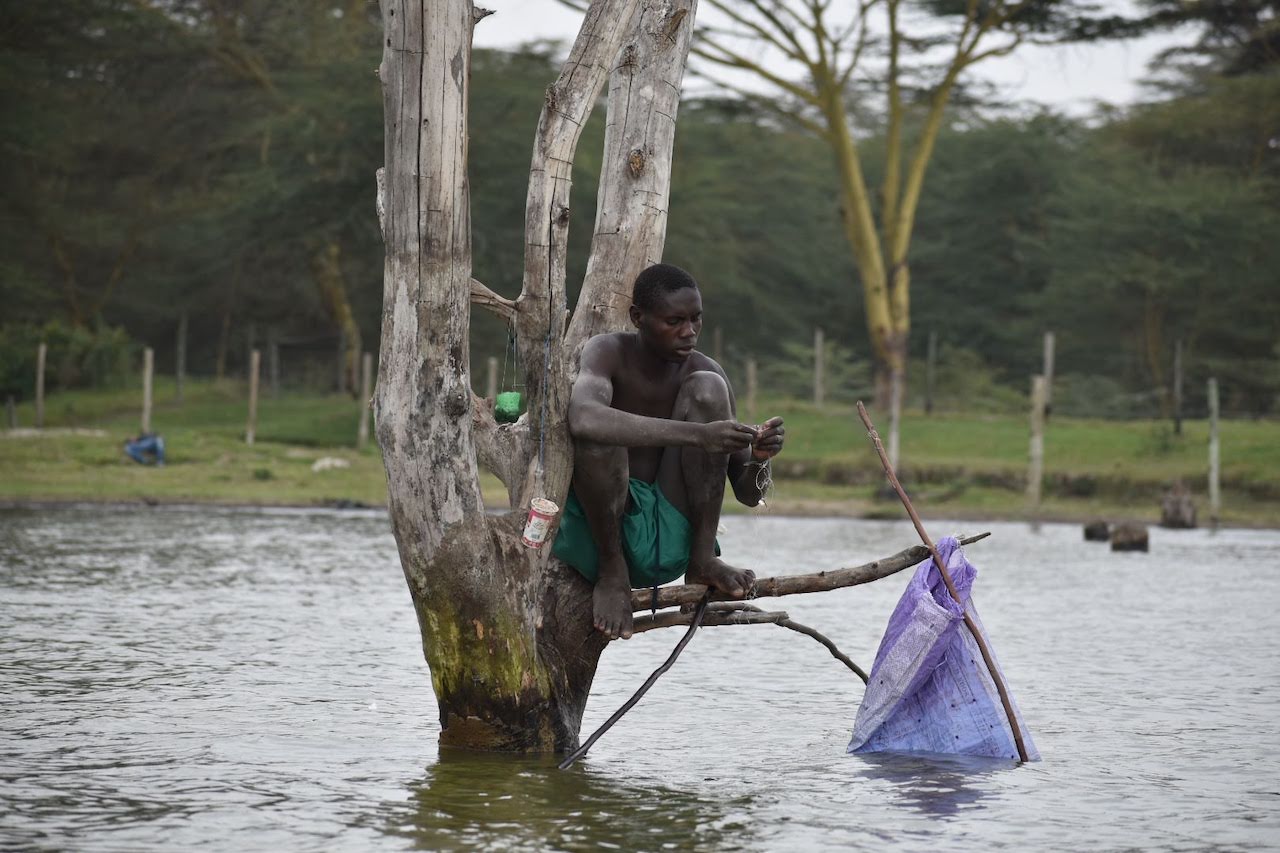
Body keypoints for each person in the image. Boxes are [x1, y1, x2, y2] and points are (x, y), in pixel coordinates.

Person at [552, 263, 785, 640]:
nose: (689, 332)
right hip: (599, 535)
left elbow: (748, 494)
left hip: (670, 534)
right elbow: (583, 419)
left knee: (708, 386)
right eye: (674, 321)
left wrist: (759, 460)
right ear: (638, 318)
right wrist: (697, 435)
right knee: (602, 430)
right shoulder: (608, 351)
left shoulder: (707, 370)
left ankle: (703, 560)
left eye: (696, 320)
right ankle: (614, 575)